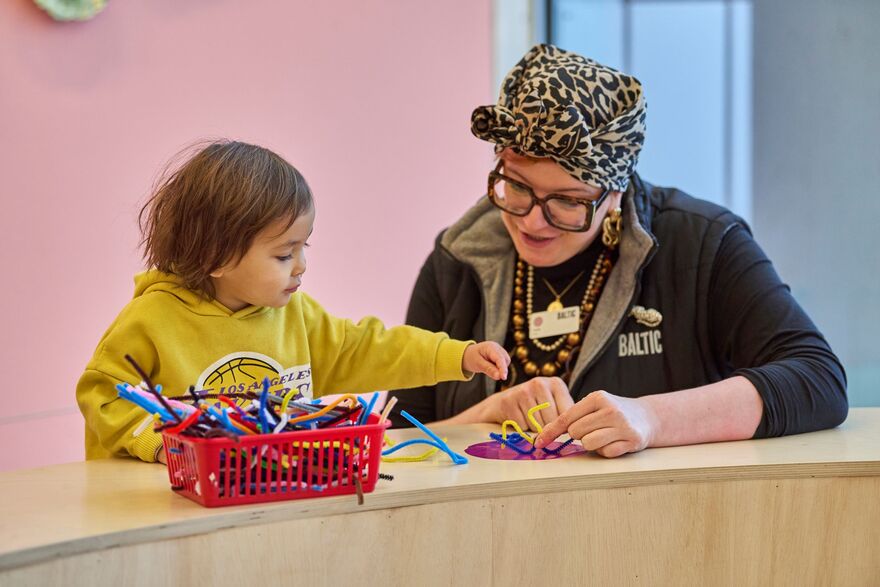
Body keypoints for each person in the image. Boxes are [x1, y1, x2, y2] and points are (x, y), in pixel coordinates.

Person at [387, 44, 847, 457]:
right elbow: (396, 438)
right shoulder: (456, 262)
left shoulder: (702, 245)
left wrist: (652, 418)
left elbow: (818, 380)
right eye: (516, 187)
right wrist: (488, 412)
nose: (532, 220)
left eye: (568, 201)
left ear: (615, 192)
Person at [76, 140, 509, 464]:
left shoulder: (296, 315)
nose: (300, 265)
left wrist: (460, 355)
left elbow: (369, 347)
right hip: (163, 511)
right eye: (284, 254)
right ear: (216, 256)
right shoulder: (152, 319)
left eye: (304, 248)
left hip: (263, 505)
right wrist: (159, 439)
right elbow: (104, 396)